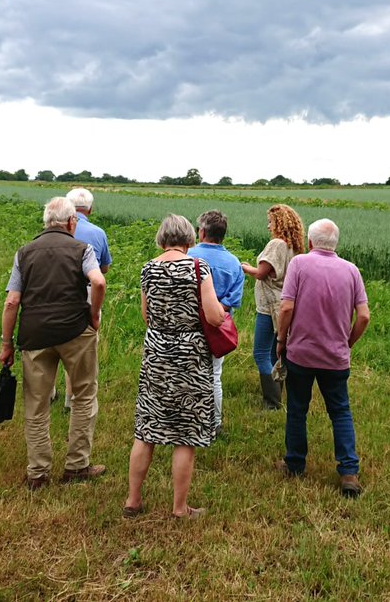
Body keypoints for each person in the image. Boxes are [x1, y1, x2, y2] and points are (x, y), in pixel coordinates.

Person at [0, 197, 107, 490]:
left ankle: (38, 473)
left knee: (36, 403)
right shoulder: (82, 249)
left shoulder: (24, 252)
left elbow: (12, 301)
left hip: (35, 335)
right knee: (84, 396)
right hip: (75, 331)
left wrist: (6, 343)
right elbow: (98, 282)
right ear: (72, 222)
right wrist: (93, 315)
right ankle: (77, 466)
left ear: (46, 222)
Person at [123, 214, 225, 518]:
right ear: (189, 239)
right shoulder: (198, 268)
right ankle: (180, 508)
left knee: (146, 430)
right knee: (186, 433)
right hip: (190, 356)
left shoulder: (148, 269)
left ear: (161, 237)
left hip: (156, 353)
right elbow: (214, 316)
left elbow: (146, 315)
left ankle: (133, 500)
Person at [276, 219, 370, 498]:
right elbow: (364, 316)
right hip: (335, 357)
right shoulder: (351, 270)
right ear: (336, 243)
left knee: (297, 409)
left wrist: (282, 340)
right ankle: (349, 471)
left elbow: (286, 307)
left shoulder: (299, 264)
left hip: (301, 354)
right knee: (340, 411)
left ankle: (294, 464)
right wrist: (347, 343)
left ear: (310, 242)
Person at [50, 188, 112, 411]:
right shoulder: (98, 233)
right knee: (80, 346)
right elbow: (103, 269)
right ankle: (71, 398)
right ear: (91, 209)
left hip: (52, 291)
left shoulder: (52, 232)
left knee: (51, 339)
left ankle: (49, 392)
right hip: (86, 292)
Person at [188, 210, 245, 437]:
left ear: (201, 232)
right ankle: (215, 423)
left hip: (187, 325)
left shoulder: (188, 255)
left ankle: (188, 421)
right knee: (214, 375)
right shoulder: (233, 263)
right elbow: (233, 301)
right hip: (217, 328)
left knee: (187, 374)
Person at [241, 204, 304, 410]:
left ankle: (272, 402)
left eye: (270, 221)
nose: (268, 226)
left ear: (279, 222)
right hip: (285, 303)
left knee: (260, 353)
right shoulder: (294, 246)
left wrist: (245, 268)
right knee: (274, 353)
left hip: (269, 306)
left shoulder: (276, 244)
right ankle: (279, 392)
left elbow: (262, 272)